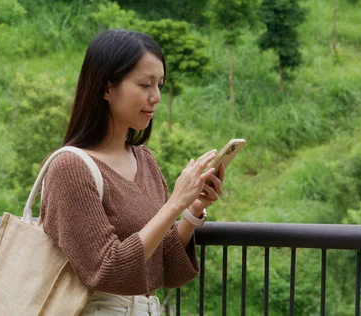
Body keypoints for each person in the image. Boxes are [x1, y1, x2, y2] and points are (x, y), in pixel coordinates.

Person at [39, 29, 225, 316]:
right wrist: (175, 203)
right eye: (145, 85)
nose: (157, 97)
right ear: (106, 87)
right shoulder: (70, 168)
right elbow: (108, 271)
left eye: (160, 85)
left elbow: (163, 264)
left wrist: (193, 208)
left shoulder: (144, 160)